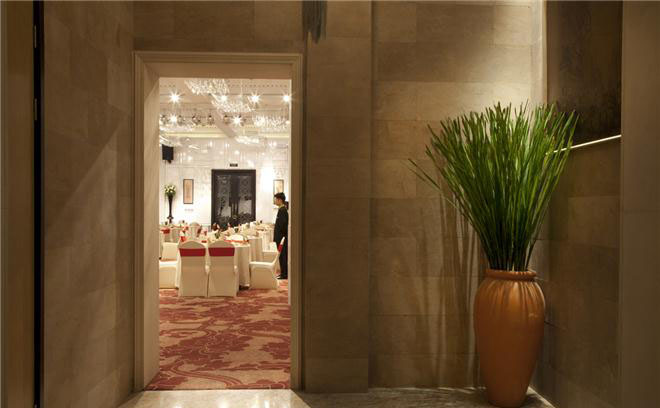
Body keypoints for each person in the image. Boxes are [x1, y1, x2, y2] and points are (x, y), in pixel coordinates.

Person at [273, 192, 288, 279]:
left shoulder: (282, 210)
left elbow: (282, 225)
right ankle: (283, 273)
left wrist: (279, 236)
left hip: (281, 236)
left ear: (279, 200)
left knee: (282, 256)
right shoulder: (281, 209)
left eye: (275, 199)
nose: (274, 201)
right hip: (280, 236)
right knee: (281, 255)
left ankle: (284, 274)